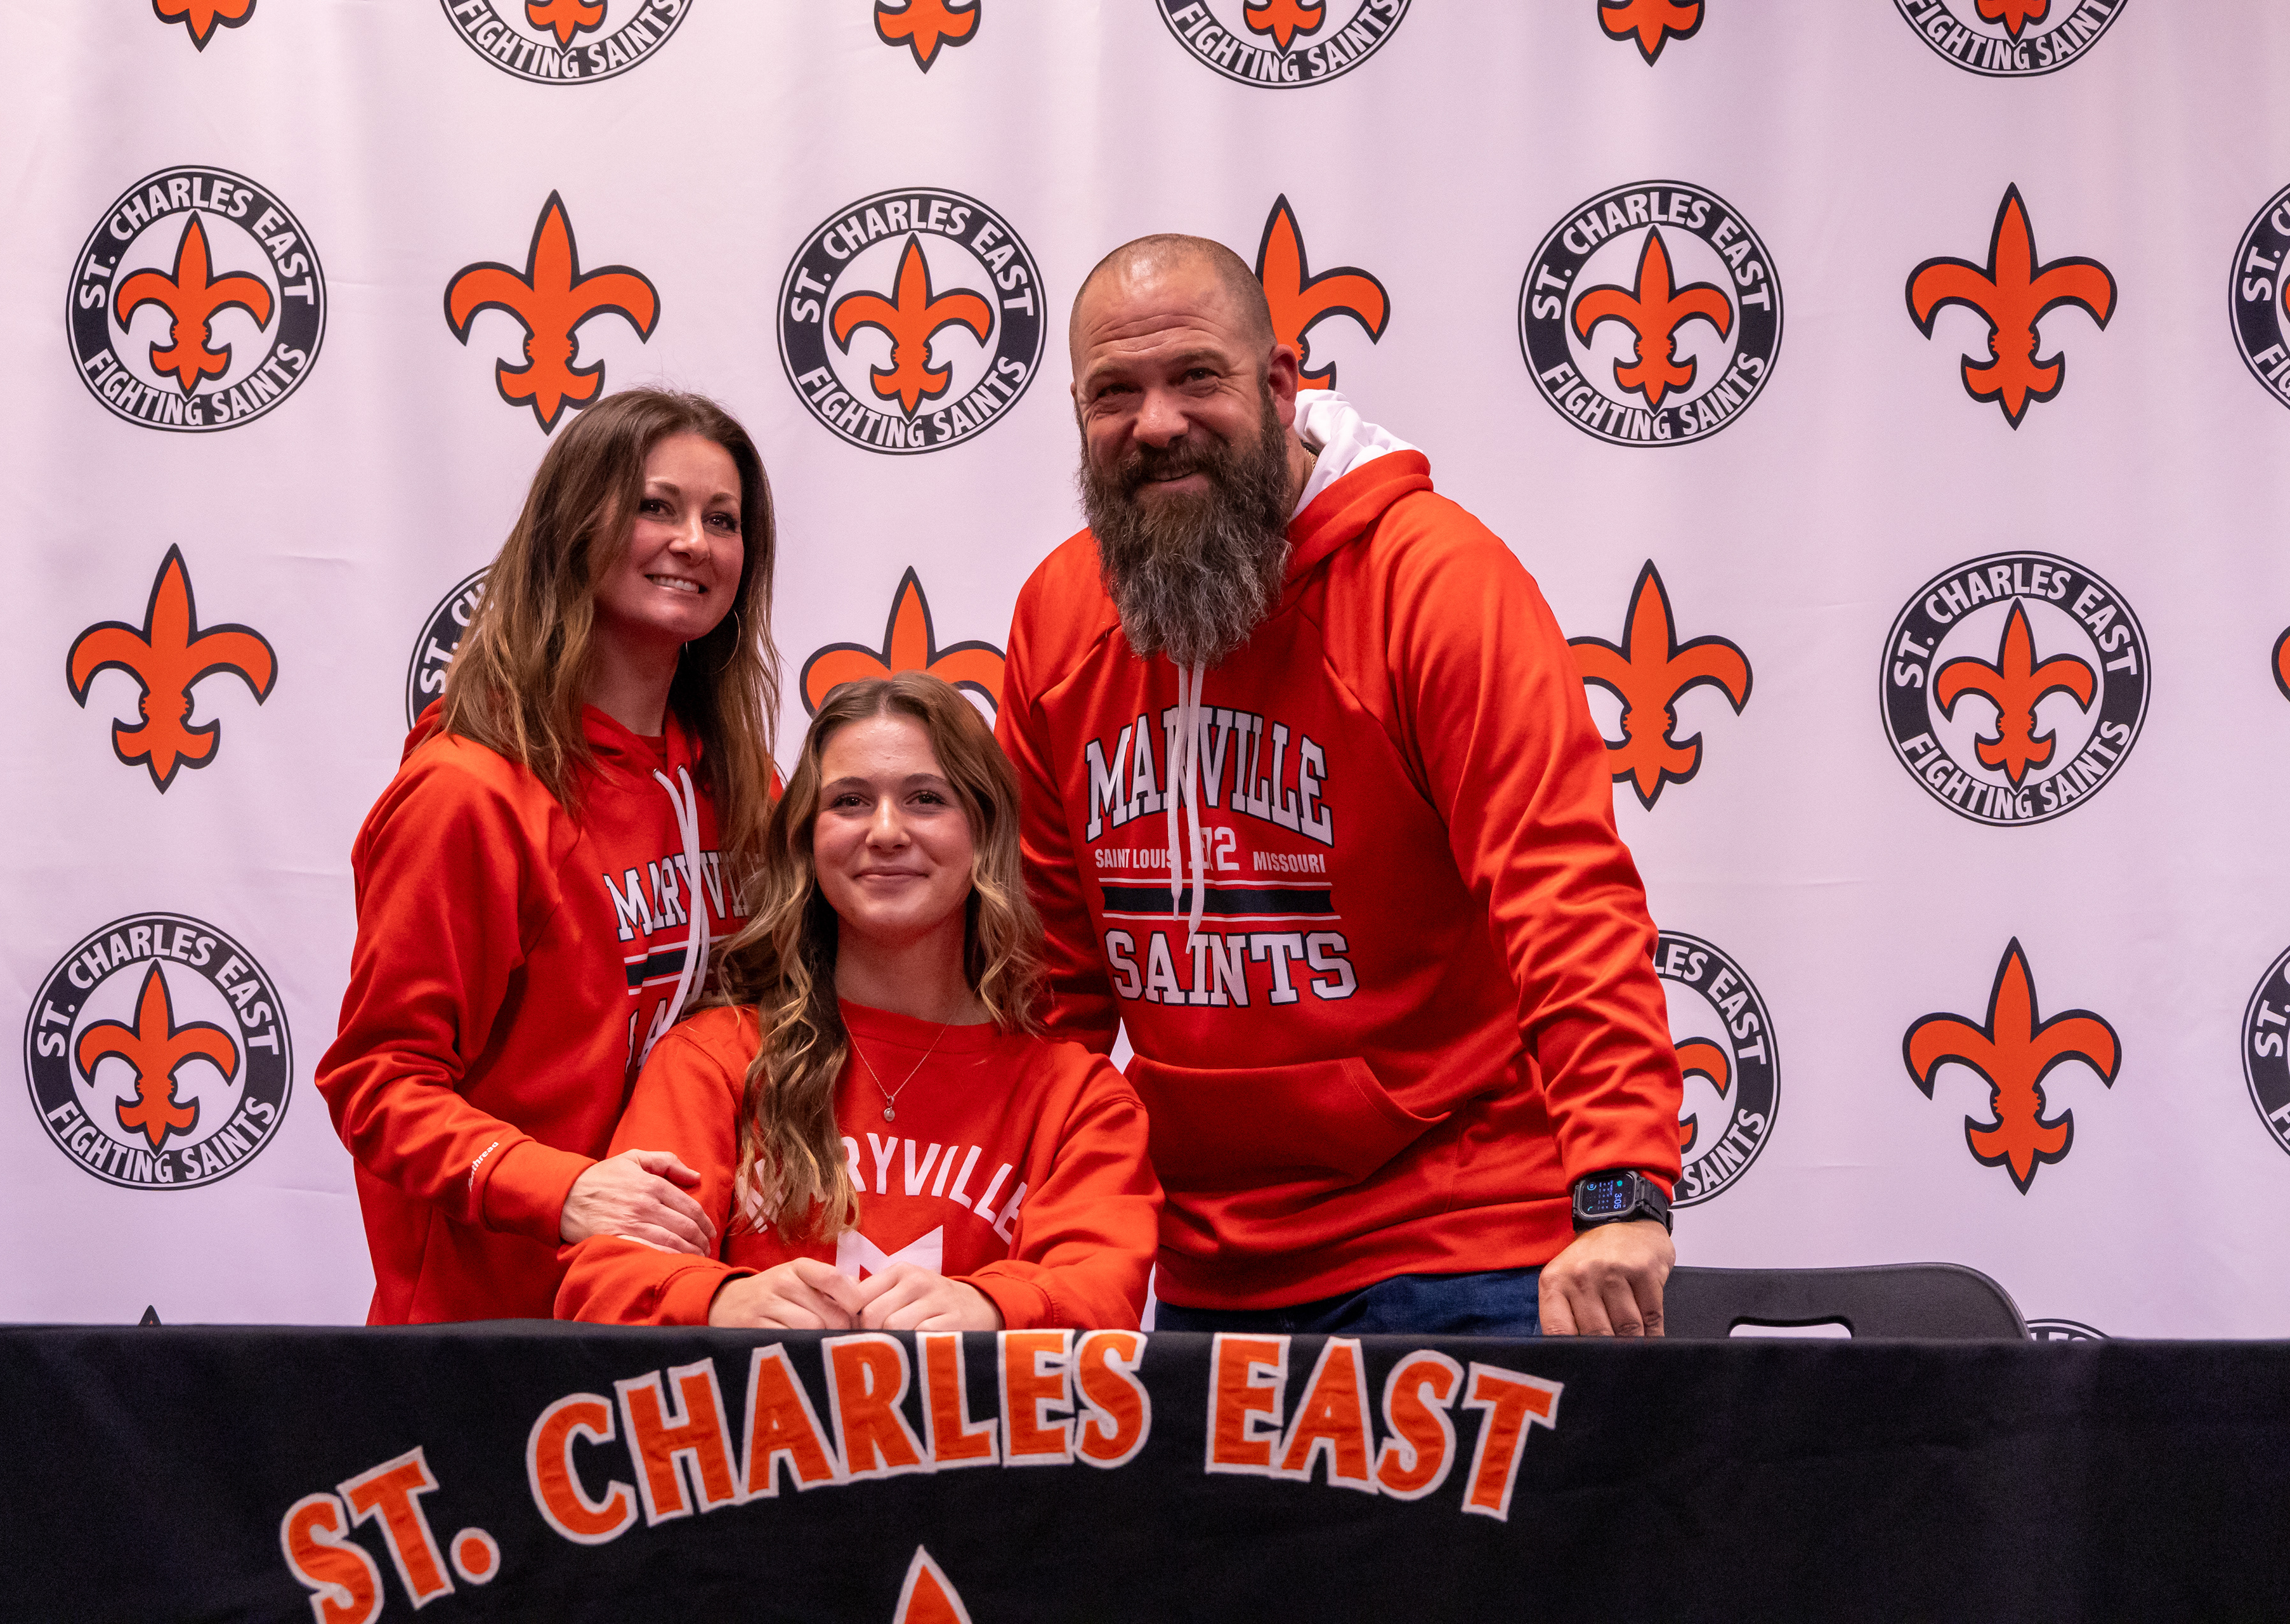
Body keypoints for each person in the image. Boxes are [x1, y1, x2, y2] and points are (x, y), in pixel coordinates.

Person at [995, 235, 1684, 1338]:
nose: (1157, 422)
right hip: (1203, 1267)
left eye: (1196, 377)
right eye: (1114, 392)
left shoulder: (1436, 582)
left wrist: (1621, 1190)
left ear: (1279, 383)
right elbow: (1055, 980)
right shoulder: (1059, 614)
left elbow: (1562, 898)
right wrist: (1023, 1237)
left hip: (1457, 1246)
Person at [316, 388, 780, 1323]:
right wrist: (560, 1190)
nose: (694, 541)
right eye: (655, 506)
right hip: (496, 1332)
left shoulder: (744, 786)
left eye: (723, 520)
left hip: (684, 1314)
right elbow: (378, 1080)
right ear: (574, 527)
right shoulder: (470, 793)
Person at [556, 673, 1161, 1332]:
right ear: (807, 841)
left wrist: (992, 1306)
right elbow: (603, 1284)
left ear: (985, 833)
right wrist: (719, 1301)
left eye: (926, 799)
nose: (886, 831)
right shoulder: (714, 1061)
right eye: (849, 801)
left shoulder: (1079, 1100)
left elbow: (1105, 1297)